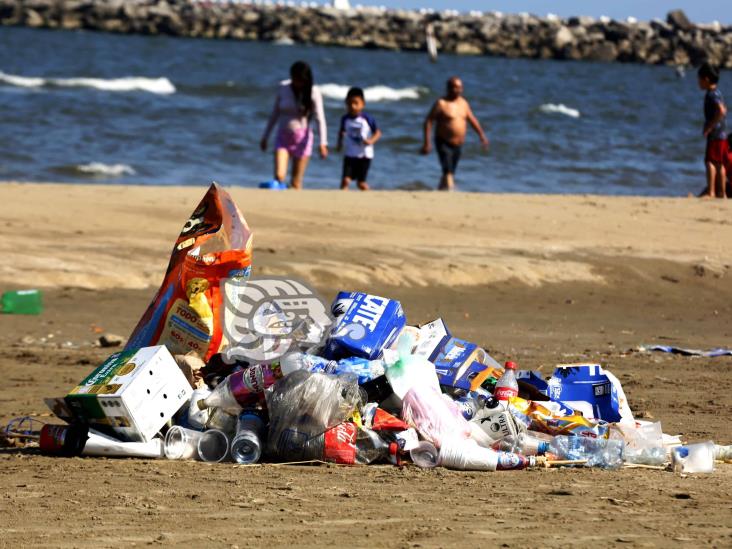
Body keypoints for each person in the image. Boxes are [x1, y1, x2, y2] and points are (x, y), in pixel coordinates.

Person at [260, 61, 328, 190]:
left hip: (303, 139)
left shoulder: (313, 91)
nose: (297, 83)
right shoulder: (283, 87)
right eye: (294, 78)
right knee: (279, 176)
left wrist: (323, 143)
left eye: (300, 80)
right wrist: (265, 136)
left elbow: (320, 118)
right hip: (283, 137)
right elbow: (275, 114)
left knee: (296, 182)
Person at [420, 76, 489, 191]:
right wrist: (427, 143)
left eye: (460, 87)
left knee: (450, 170)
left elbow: (472, 120)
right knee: (448, 170)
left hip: (458, 144)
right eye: (455, 87)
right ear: (448, 88)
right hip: (443, 141)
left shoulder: (464, 103)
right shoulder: (441, 103)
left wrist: (482, 136)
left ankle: (441, 189)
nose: (458, 90)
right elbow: (428, 121)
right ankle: (451, 191)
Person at [336, 87, 382, 191]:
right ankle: (341, 199)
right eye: (349, 103)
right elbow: (341, 132)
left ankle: (371, 196)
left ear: (363, 104)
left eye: (356, 103)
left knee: (361, 183)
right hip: (350, 154)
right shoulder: (345, 119)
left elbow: (378, 133)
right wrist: (339, 144)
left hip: (365, 155)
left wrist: (370, 140)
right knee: (345, 180)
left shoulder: (367, 118)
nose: (352, 106)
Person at [698, 62, 727, 199]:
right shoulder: (718, 92)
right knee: (720, 163)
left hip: (715, 134)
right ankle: (722, 192)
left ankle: (711, 192)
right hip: (723, 133)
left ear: (706, 79)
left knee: (710, 161)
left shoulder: (711, 94)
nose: (698, 83)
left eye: (700, 79)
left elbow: (721, 110)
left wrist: (710, 125)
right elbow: (723, 109)